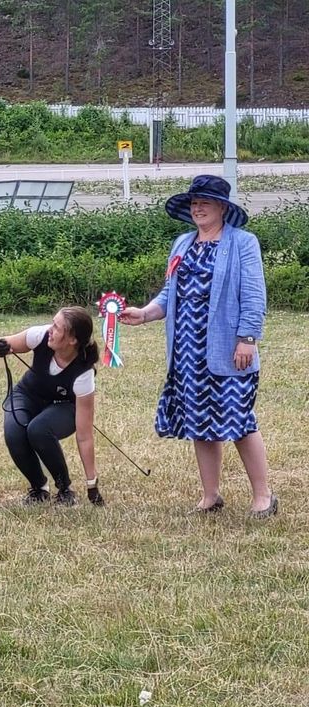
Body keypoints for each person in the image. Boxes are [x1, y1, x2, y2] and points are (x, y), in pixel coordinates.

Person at [119, 175, 276, 518]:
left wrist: (247, 338)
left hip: (229, 348)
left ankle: (264, 497)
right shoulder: (182, 244)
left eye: (205, 202)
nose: (198, 208)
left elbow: (253, 295)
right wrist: (144, 313)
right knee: (200, 424)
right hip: (187, 351)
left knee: (240, 421)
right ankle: (211, 497)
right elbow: (170, 294)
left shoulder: (242, 243)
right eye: (194, 203)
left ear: (222, 207)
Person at [0, 307, 103, 507]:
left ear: (72, 340)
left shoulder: (83, 373)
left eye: (57, 328)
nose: (50, 329)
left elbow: (85, 435)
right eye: (53, 323)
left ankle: (64, 489)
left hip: (64, 407)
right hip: (27, 394)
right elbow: (10, 343)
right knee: (14, 432)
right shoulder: (41, 335)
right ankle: (38, 488)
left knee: (39, 429)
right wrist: (1, 346)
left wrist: (92, 483)